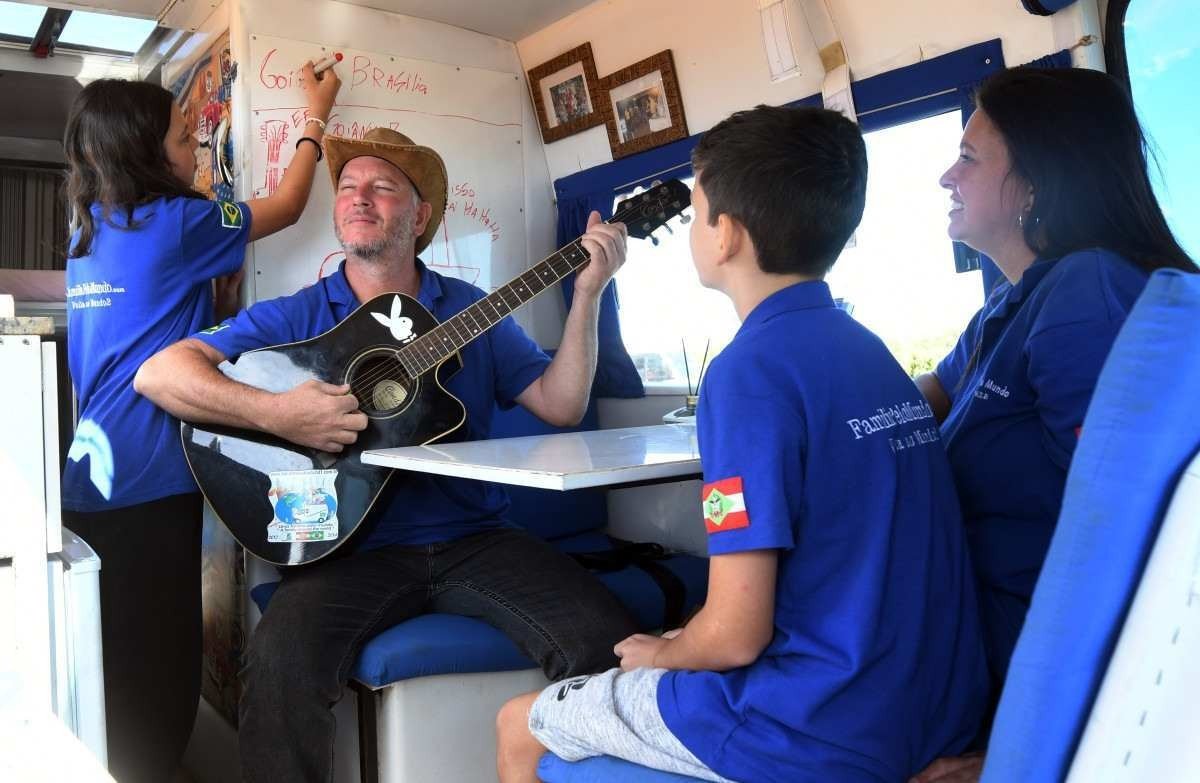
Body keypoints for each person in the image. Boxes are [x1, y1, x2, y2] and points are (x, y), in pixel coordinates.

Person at [495, 105, 989, 783]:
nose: (698, 226)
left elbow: (734, 633)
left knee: (518, 724)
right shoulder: (868, 350)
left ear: (724, 235)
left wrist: (664, 655)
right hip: (931, 709)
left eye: (697, 210)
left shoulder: (746, 374)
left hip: (813, 727)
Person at [134, 126, 640, 782]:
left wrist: (589, 294)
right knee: (280, 663)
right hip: (347, 553)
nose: (359, 198)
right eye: (347, 187)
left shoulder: (471, 310)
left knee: (609, 637)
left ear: (421, 214)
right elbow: (159, 373)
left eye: (383, 188)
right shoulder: (301, 315)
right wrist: (281, 411)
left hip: (476, 536)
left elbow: (562, 403)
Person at [911, 66, 1196, 783]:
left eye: (970, 158)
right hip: (950, 635)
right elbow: (930, 392)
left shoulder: (1086, 294)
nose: (949, 175)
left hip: (989, 670)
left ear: (1036, 185)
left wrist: (1019, 753)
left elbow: (1119, 555)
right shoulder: (1010, 306)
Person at [60, 62, 340, 783]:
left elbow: (155, 320)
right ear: (149, 151)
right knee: (161, 664)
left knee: (113, 654)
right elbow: (287, 206)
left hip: (90, 477)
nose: (194, 148)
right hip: (151, 478)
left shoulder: (87, 233)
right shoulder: (181, 222)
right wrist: (316, 112)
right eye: (185, 137)